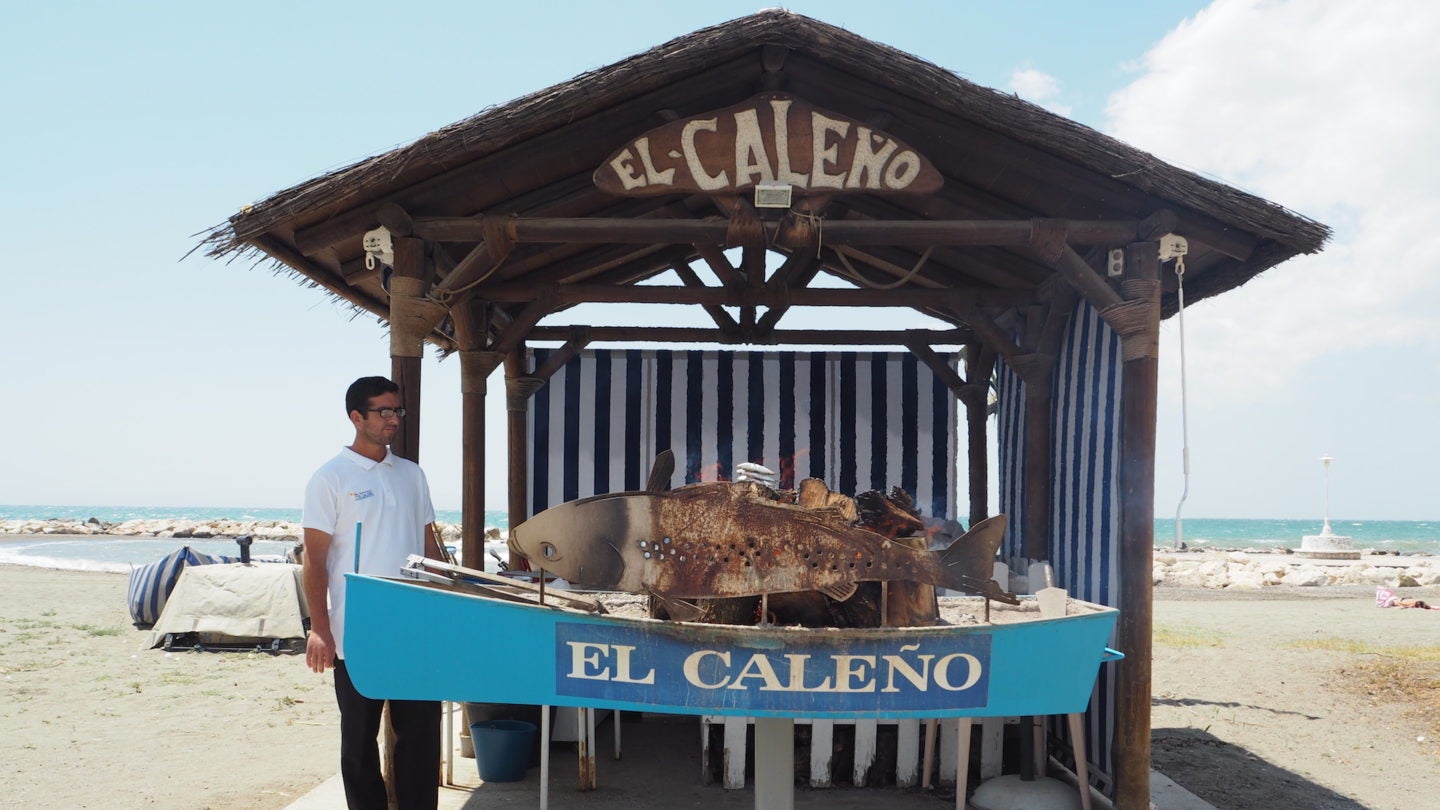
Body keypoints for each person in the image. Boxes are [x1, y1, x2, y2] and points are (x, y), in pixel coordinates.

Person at [302, 376, 443, 810]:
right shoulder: (330, 478)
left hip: (414, 627)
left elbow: (430, 547)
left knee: (420, 736)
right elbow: (315, 561)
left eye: (397, 410)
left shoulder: (412, 474)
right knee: (359, 743)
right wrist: (319, 629)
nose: (393, 419)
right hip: (356, 632)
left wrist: (450, 605)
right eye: (383, 411)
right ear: (356, 417)